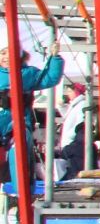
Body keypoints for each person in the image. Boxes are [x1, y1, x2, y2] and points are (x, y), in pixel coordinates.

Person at [0, 47, 63, 187]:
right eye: (3, 53)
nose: (7, 57)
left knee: (20, 148)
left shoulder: (27, 74)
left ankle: (21, 188)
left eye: (11, 53)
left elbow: (50, 78)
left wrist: (54, 58)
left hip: (18, 121)